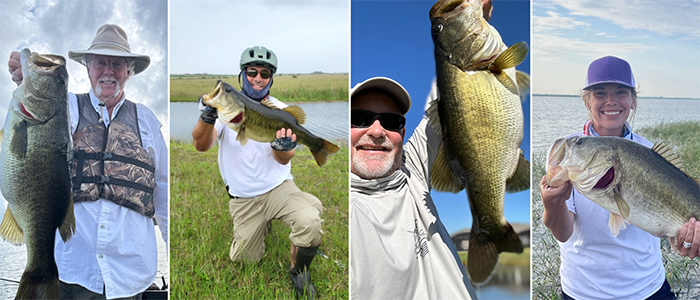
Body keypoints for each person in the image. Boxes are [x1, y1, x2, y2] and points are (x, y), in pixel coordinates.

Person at [7, 24, 168, 299]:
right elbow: (31, 141)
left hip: (129, 275)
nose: (108, 70)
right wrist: (24, 77)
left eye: (117, 63)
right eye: (100, 62)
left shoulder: (147, 121)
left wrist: (173, 248)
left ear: (129, 70)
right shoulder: (64, 107)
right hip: (71, 270)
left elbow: (164, 194)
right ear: (87, 67)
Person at [540, 55, 700, 300]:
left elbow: (671, 232)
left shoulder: (649, 151)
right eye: (600, 93)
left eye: (621, 92)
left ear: (633, 101)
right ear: (586, 101)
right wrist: (553, 202)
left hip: (648, 288)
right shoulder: (569, 159)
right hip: (583, 292)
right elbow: (563, 233)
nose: (611, 101)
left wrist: (685, 242)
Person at [191, 46, 323, 299]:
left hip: (277, 188)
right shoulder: (226, 109)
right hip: (243, 197)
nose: (258, 78)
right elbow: (200, 145)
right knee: (244, 260)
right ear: (243, 74)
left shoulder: (280, 110)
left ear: (271, 77)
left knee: (309, 223)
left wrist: (282, 147)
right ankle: (267, 222)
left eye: (264, 73)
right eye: (252, 72)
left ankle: (300, 272)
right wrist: (206, 118)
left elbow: (284, 160)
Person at [350, 77, 478, 299]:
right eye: (360, 119)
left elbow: (444, 97)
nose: (377, 131)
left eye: (392, 122)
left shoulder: (411, 169)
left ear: (402, 133)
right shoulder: (350, 213)